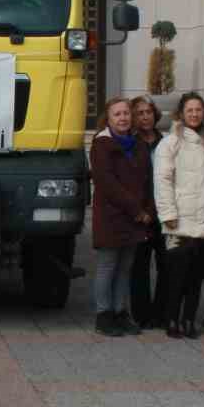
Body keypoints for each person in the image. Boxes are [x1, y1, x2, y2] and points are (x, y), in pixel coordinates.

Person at [153, 92, 204, 339]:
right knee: (176, 276)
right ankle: (172, 319)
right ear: (181, 113)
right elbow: (162, 180)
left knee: (196, 276)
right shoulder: (170, 142)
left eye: (199, 110)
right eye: (190, 110)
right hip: (180, 220)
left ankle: (189, 319)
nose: (195, 114)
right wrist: (168, 212)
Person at [88, 97, 153, 336]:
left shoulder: (138, 144)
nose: (123, 118)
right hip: (112, 217)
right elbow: (108, 184)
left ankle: (120, 312)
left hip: (135, 218)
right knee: (108, 266)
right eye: (117, 114)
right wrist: (137, 210)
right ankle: (104, 316)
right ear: (109, 118)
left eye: (126, 113)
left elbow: (147, 180)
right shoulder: (101, 144)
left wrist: (148, 210)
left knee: (125, 267)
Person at [127, 97, 165, 329]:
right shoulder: (130, 143)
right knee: (139, 267)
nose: (145, 116)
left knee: (166, 266)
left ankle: (160, 312)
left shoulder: (166, 141)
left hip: (163, 212)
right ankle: (141, 315)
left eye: (148, 112)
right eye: (140, 113)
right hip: (140, 214)